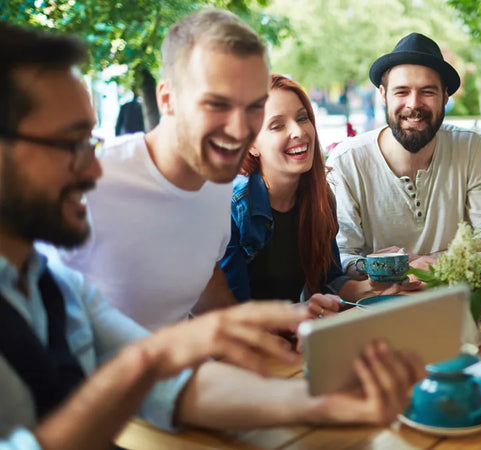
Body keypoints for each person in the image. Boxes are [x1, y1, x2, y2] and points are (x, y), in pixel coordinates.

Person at [0, 21, 423, 449]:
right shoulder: (97, 196)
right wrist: (163, 353)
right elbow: (146, 365)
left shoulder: (51, 284)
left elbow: (169, 382)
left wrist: (324, 402)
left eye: (253, 106)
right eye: (72, 145)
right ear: (167, 99)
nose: (92, 170)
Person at [52, 8, 338, 330]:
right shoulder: (88, 183)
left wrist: (275, 331)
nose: (239, 128)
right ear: (168, 99)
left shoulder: (219, 182)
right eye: (217, 104)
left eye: (254, 106)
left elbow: (207, 285)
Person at [328, 32, 481, 277]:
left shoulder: (471, 148)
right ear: (383, 95)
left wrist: (436, 261)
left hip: (457, 300)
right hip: (379, 303)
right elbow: (341, 257)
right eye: (402, 92)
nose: (414, 104)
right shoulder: (347, 161)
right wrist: (392, 269)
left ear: (445, 97)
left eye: (427, 92)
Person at [221, 74, 417, 304]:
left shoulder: (320, 198)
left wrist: (374, 286)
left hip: (296, 332)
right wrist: (300, 314)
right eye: (277, 125)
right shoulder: (231, 208)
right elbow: (234, 311)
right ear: (251, 145)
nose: (299, 131)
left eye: (302, 118)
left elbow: (330, 283)